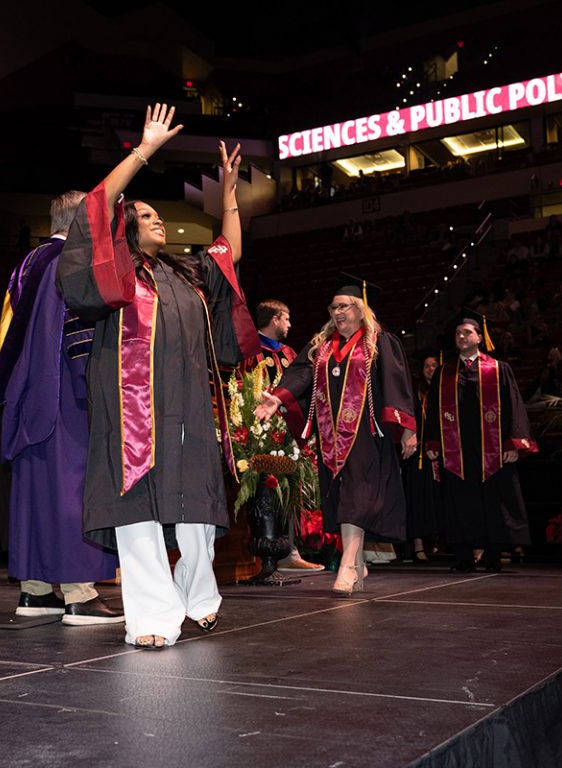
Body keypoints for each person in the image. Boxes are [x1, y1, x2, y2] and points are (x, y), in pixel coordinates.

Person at [57, 103, 259, 649]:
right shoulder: (116, 277)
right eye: (146, 216)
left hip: (188, 411)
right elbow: (94, 211)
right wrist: (144, 150)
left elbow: (228, 252)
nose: (159, 221)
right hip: (131, 415)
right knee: (136, 513)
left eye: (158, 216)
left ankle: (199, 596)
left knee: (195, 510)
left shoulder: (186, 274)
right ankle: (149, 617)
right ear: (126, 230)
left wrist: (230, 196)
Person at [0, 191, 123, 627]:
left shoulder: (28, 263)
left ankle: (37, 591)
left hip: (26, 393)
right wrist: (98, 386)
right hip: (63, 388)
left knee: (34, 489)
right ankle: (80, 594)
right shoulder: (70, 260)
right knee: (71, 487)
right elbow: (79, 332)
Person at [255, 274, 417, 596]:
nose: (337, 312)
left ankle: (346, 566)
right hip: (331, 439)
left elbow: (398, 385)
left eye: (344, 306)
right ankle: (356, 564)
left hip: (368, 436)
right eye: (333, 307)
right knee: (344, 499)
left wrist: (408, 429)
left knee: (357, 496)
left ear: (360, 308)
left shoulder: (378, 342)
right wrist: (278, 396)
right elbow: (300, 373)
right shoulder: (323, 346)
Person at [424, 309, 537, 572]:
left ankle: (493, 554)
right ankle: (464, 555)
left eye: (467, 332)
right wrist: (433, 443)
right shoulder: (444, 373)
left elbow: (514, 406)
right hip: (457, 451)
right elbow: (433, 412)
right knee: (460, 502)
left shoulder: (498, 369)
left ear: (479, 337)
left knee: (493, 501)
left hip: (493, 449)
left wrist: (513, 443)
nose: (462, 336)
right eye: (458, 333)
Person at [241, 299, 324, 573]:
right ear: (275, 318)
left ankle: (290, 551)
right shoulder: (250, 349)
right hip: (262, 429)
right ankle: (269, 552)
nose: (290, 325)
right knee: (268, 488)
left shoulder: (290, 352)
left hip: (290, 429)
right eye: (286, 319)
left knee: (292, 487)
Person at [402, 349, 442, 563]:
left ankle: (439, 542)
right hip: (420, 457)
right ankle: (418, 544)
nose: (430, 369)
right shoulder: (416, 392)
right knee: (418, 500)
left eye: (434, 365)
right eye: (426, 366)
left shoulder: (447, 389)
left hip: (445, 456)